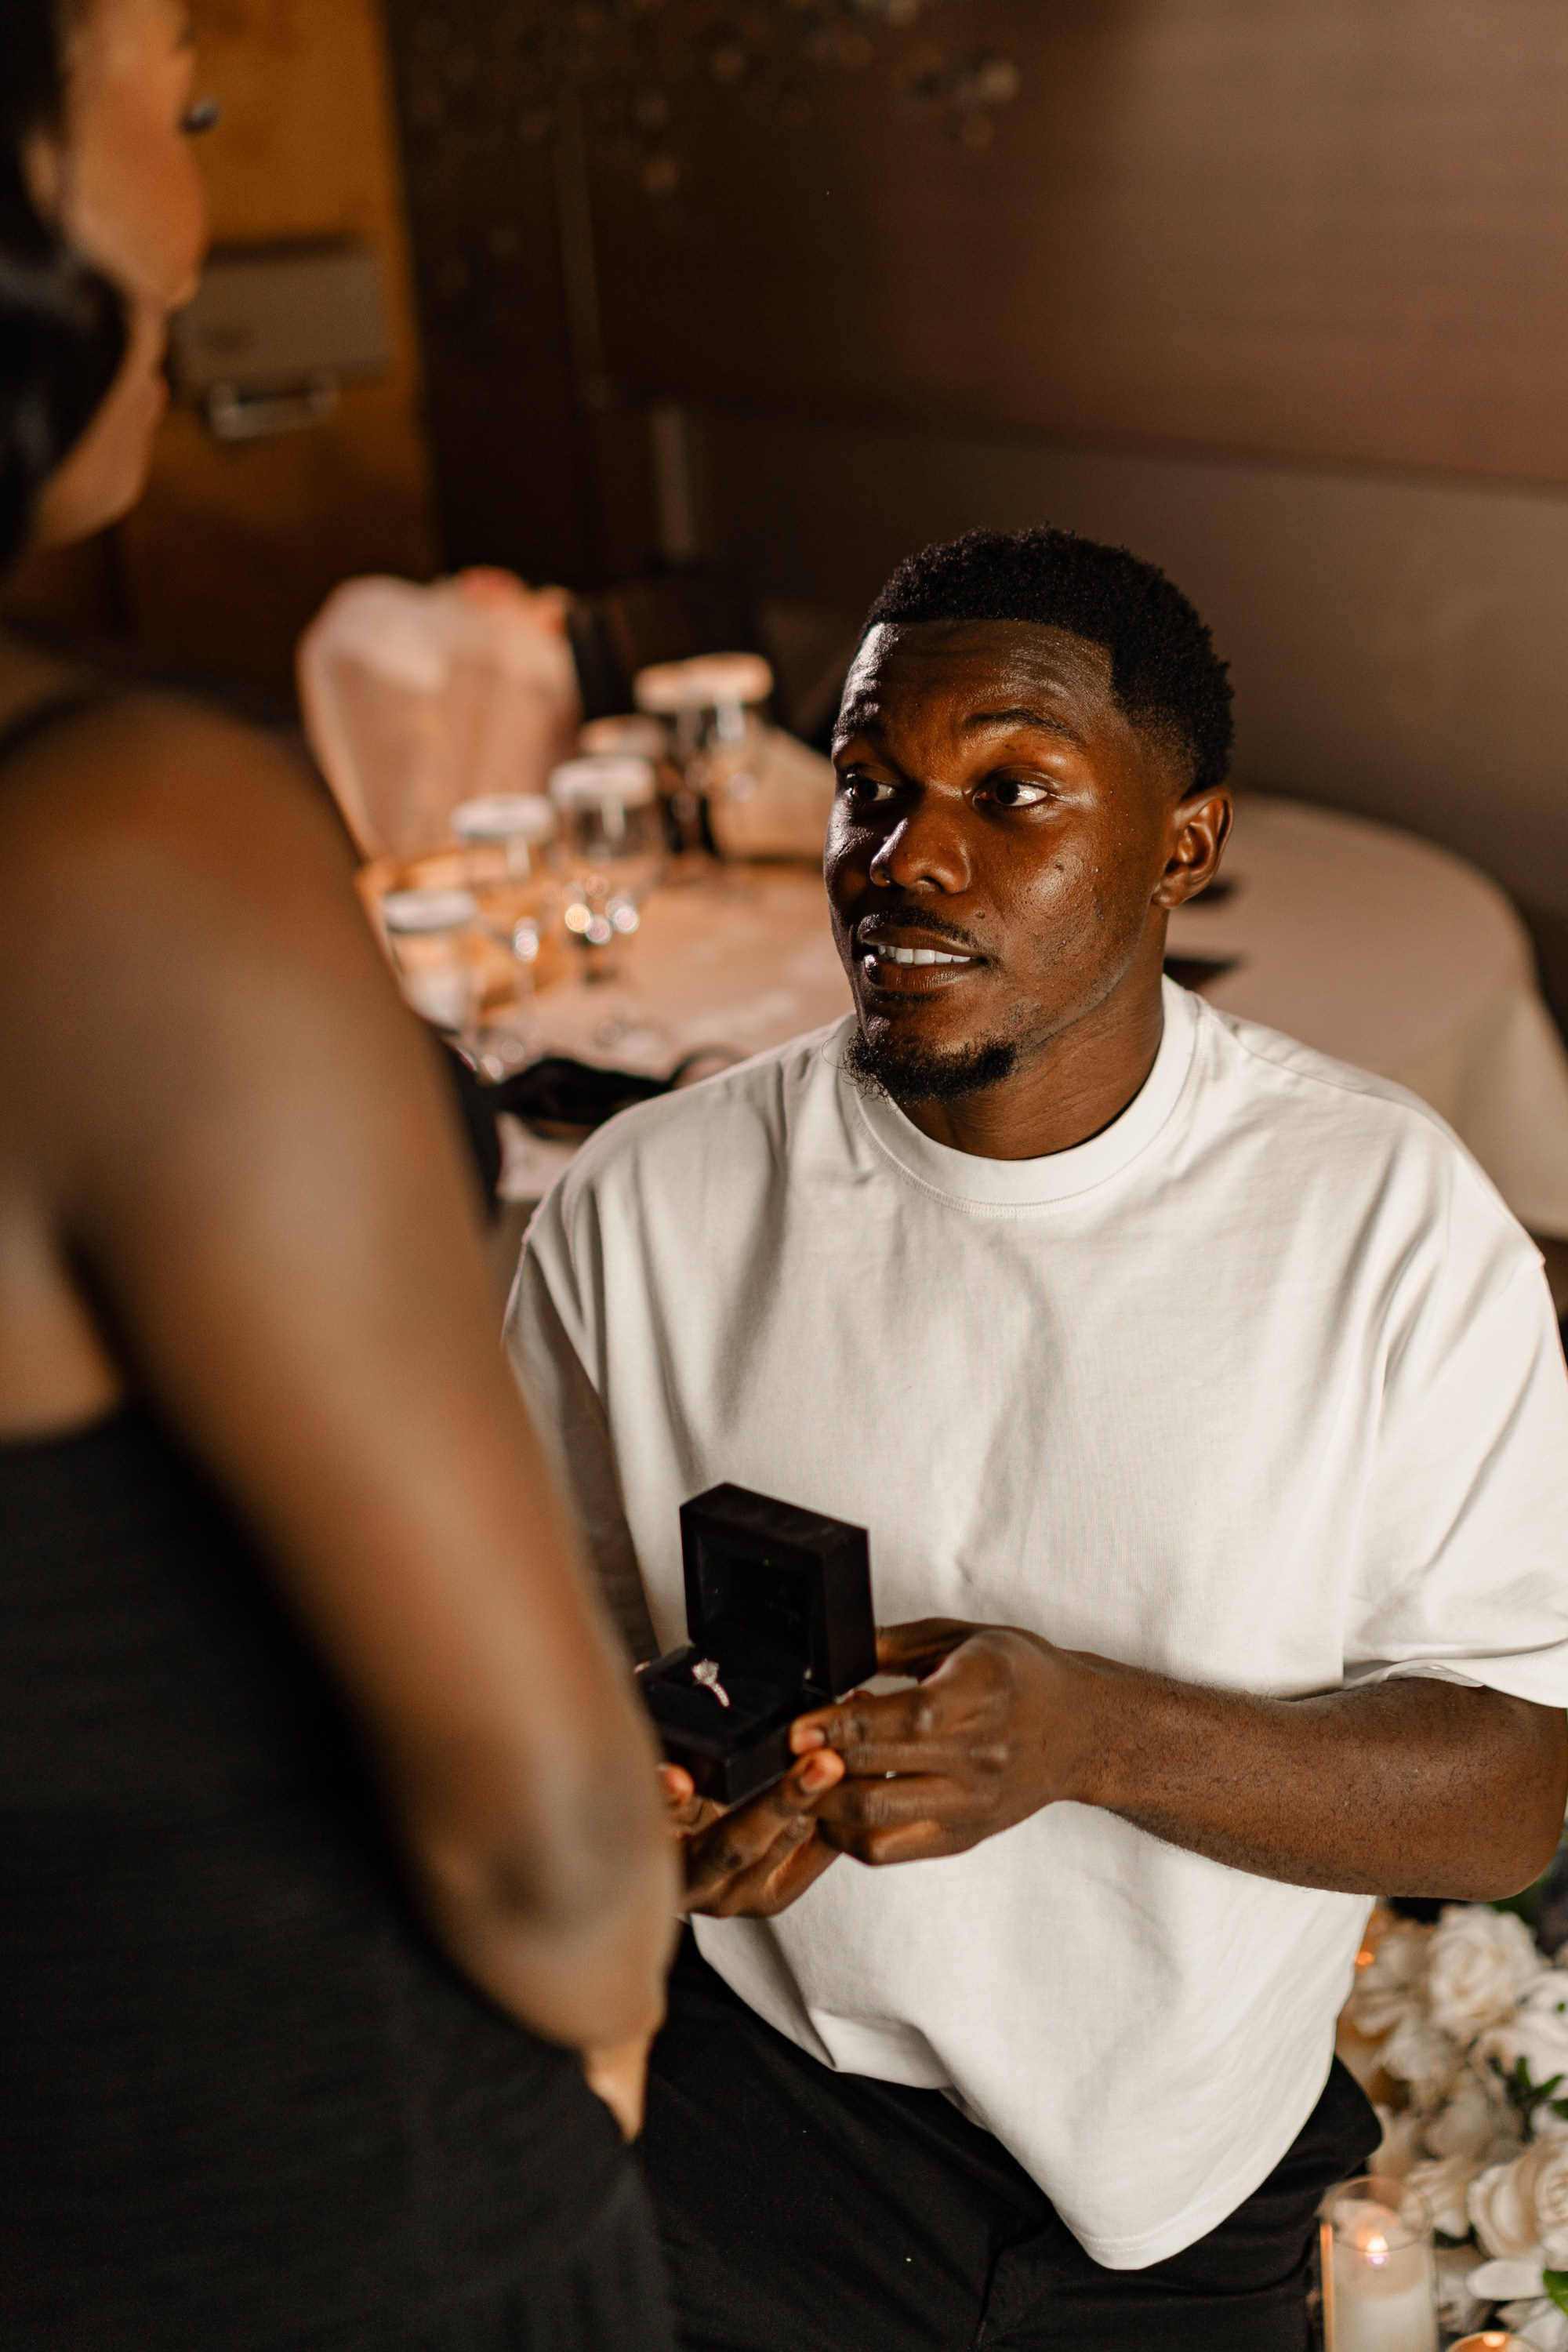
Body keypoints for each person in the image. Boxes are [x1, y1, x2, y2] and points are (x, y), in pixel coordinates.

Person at [510, 524, 1568, 2350]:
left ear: (1182, 846)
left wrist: (1086, 1732)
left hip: (1186, 2179)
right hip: (757, 2144)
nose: (904, 856)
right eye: (867, 785)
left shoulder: (1377, 1216)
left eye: (1013, 791)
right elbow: (512, 1662)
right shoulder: (647, 1204)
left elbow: (1506, 1796)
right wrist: (650, 1785)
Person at [0, 3, 679, 2344]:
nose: (194, 220)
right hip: (271, 2205)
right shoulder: (121, 858)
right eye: (173, 113)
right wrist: (589, 2065)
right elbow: (553, 1836)